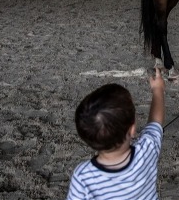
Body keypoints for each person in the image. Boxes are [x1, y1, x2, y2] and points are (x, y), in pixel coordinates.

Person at [66, 68, 165, 199]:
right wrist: (158, 89)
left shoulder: (83, 177)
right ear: (132, 129)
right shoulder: (147, 150)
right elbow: (156, 121)